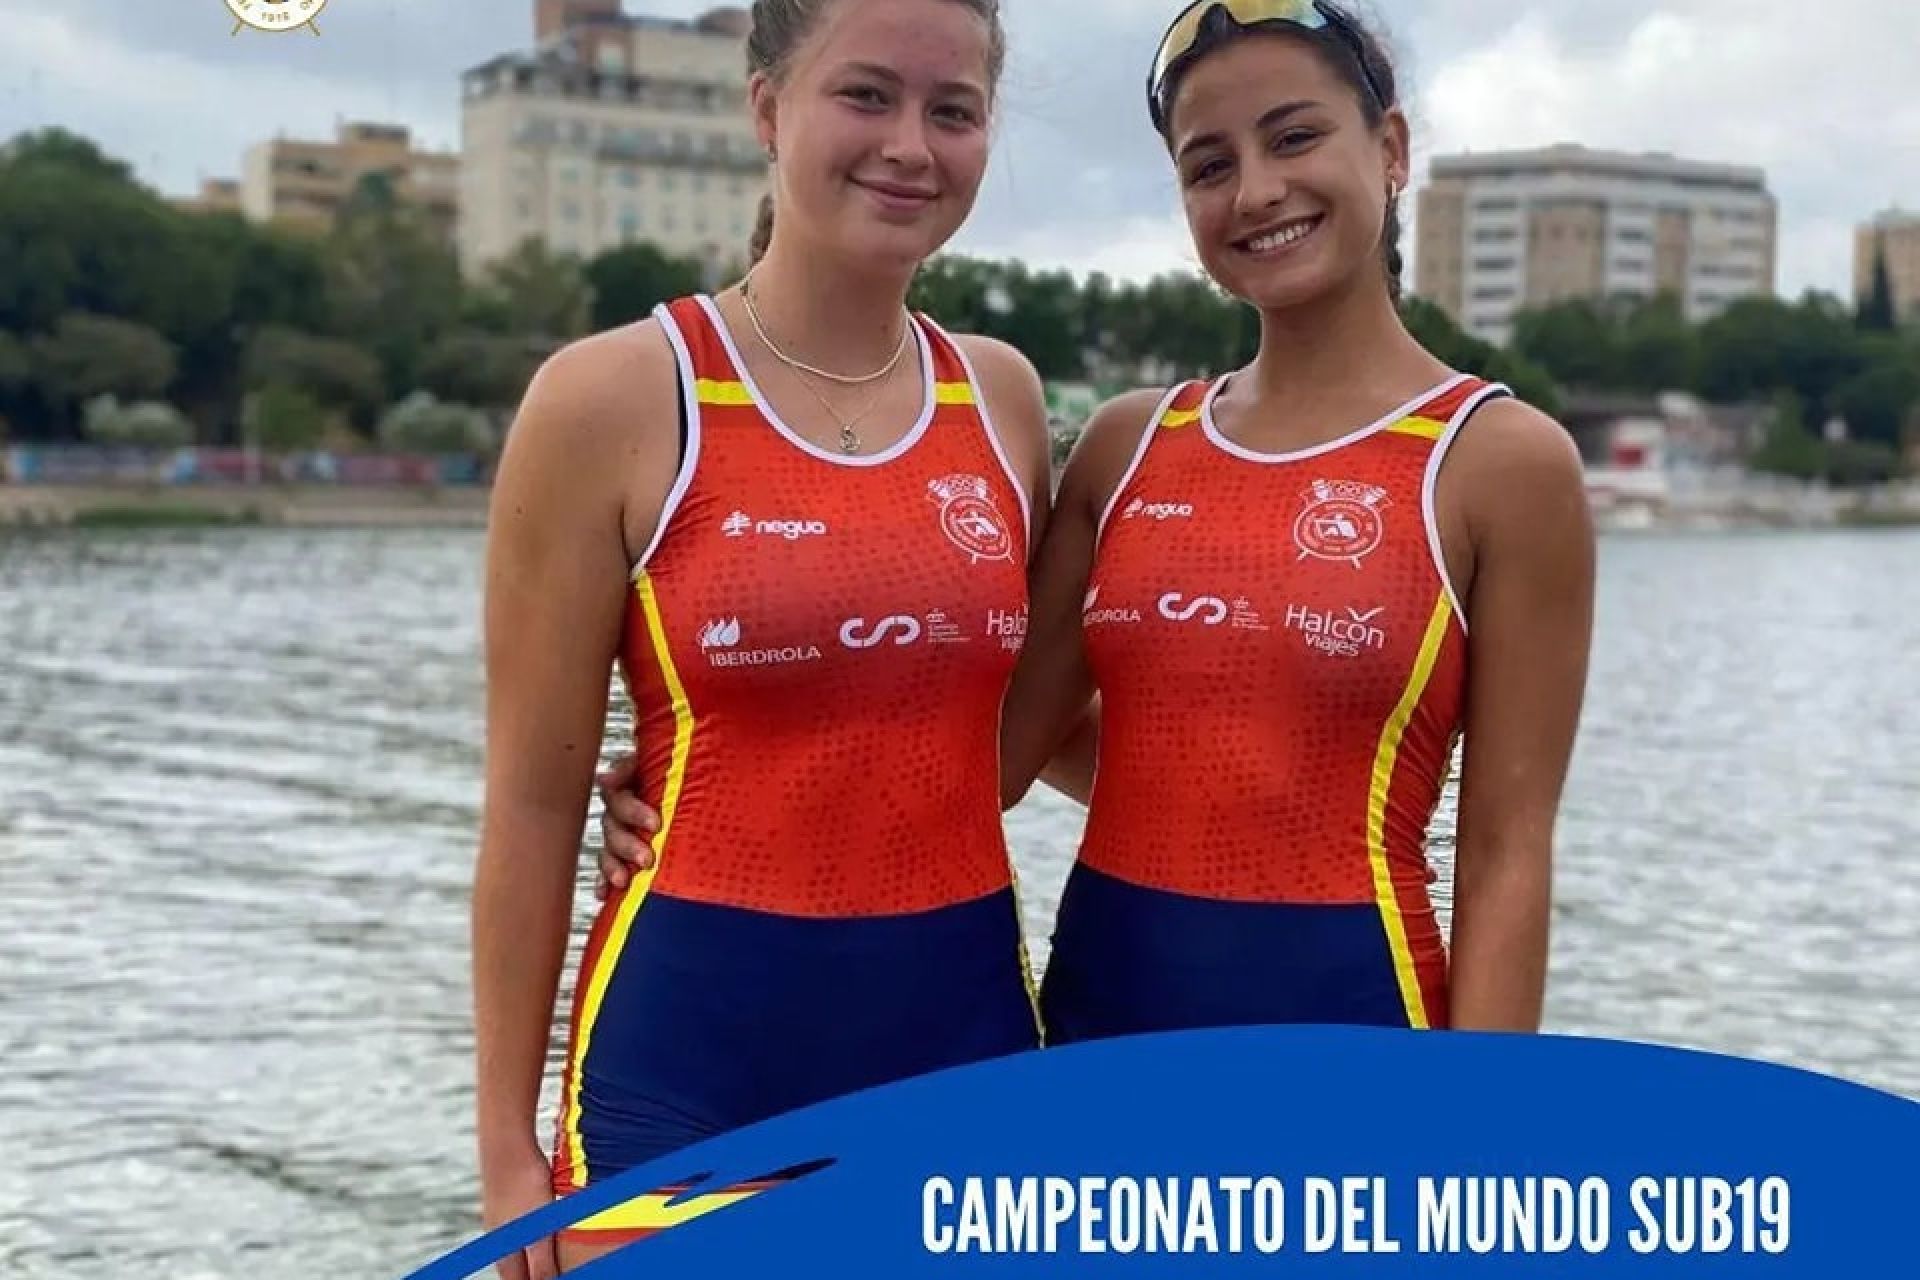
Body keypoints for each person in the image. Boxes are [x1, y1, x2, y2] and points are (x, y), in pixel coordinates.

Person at [599, 0, 1593, 1042]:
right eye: (1210, 165)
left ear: (1389, 149)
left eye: (1295, 137)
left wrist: (1478, 1122)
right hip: (1092, 1047)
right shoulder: (1127, 449)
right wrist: (714, 768)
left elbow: (1506, 853)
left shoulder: (1497, 463)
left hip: (1358, 1049)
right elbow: (987, 746)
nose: (1257, 190)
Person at [470, 1, 1050, 1275]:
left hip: (962, 1054)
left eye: (952, 110)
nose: (911, 144)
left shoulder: (1002, 401)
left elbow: (1026, 725)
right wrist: (506, 1145)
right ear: (767, 106)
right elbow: (530, 801)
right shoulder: (610, 397)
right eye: (867, 94)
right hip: (684, 1071)